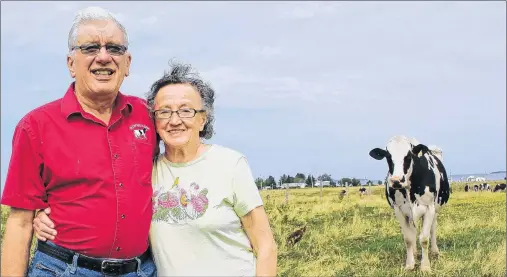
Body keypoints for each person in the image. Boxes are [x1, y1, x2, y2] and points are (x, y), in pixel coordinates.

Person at [34, 62, 279, 276]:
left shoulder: (230, 164)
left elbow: (265, 244)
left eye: (186, 110)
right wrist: (46, 214)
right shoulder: (146, 170)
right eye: (164, 112)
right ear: (154, 121)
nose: (175, 120)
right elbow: (103, 196)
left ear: (202, 118)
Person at [1, 6, 157, 277]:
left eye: (114, 48)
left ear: (128, 63)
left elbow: (185, 161)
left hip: (140, 270)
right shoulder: (36, 126)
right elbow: (20, 222)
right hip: (63, 269)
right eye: (90, 48)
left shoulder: (148, 115)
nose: (104, 57)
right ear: (71, 63)